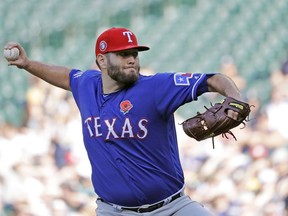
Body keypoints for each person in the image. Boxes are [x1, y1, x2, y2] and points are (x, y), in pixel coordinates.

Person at [4, 27, 244, 216]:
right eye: (123, 54)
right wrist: (27, 64)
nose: (131, 60)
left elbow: (214, 79)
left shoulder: (156, 87)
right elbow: (66, 76)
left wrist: (234, 97)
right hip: (113, 211)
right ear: (102, 61)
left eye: (134, 54)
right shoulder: (86, 84)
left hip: (172, 208)